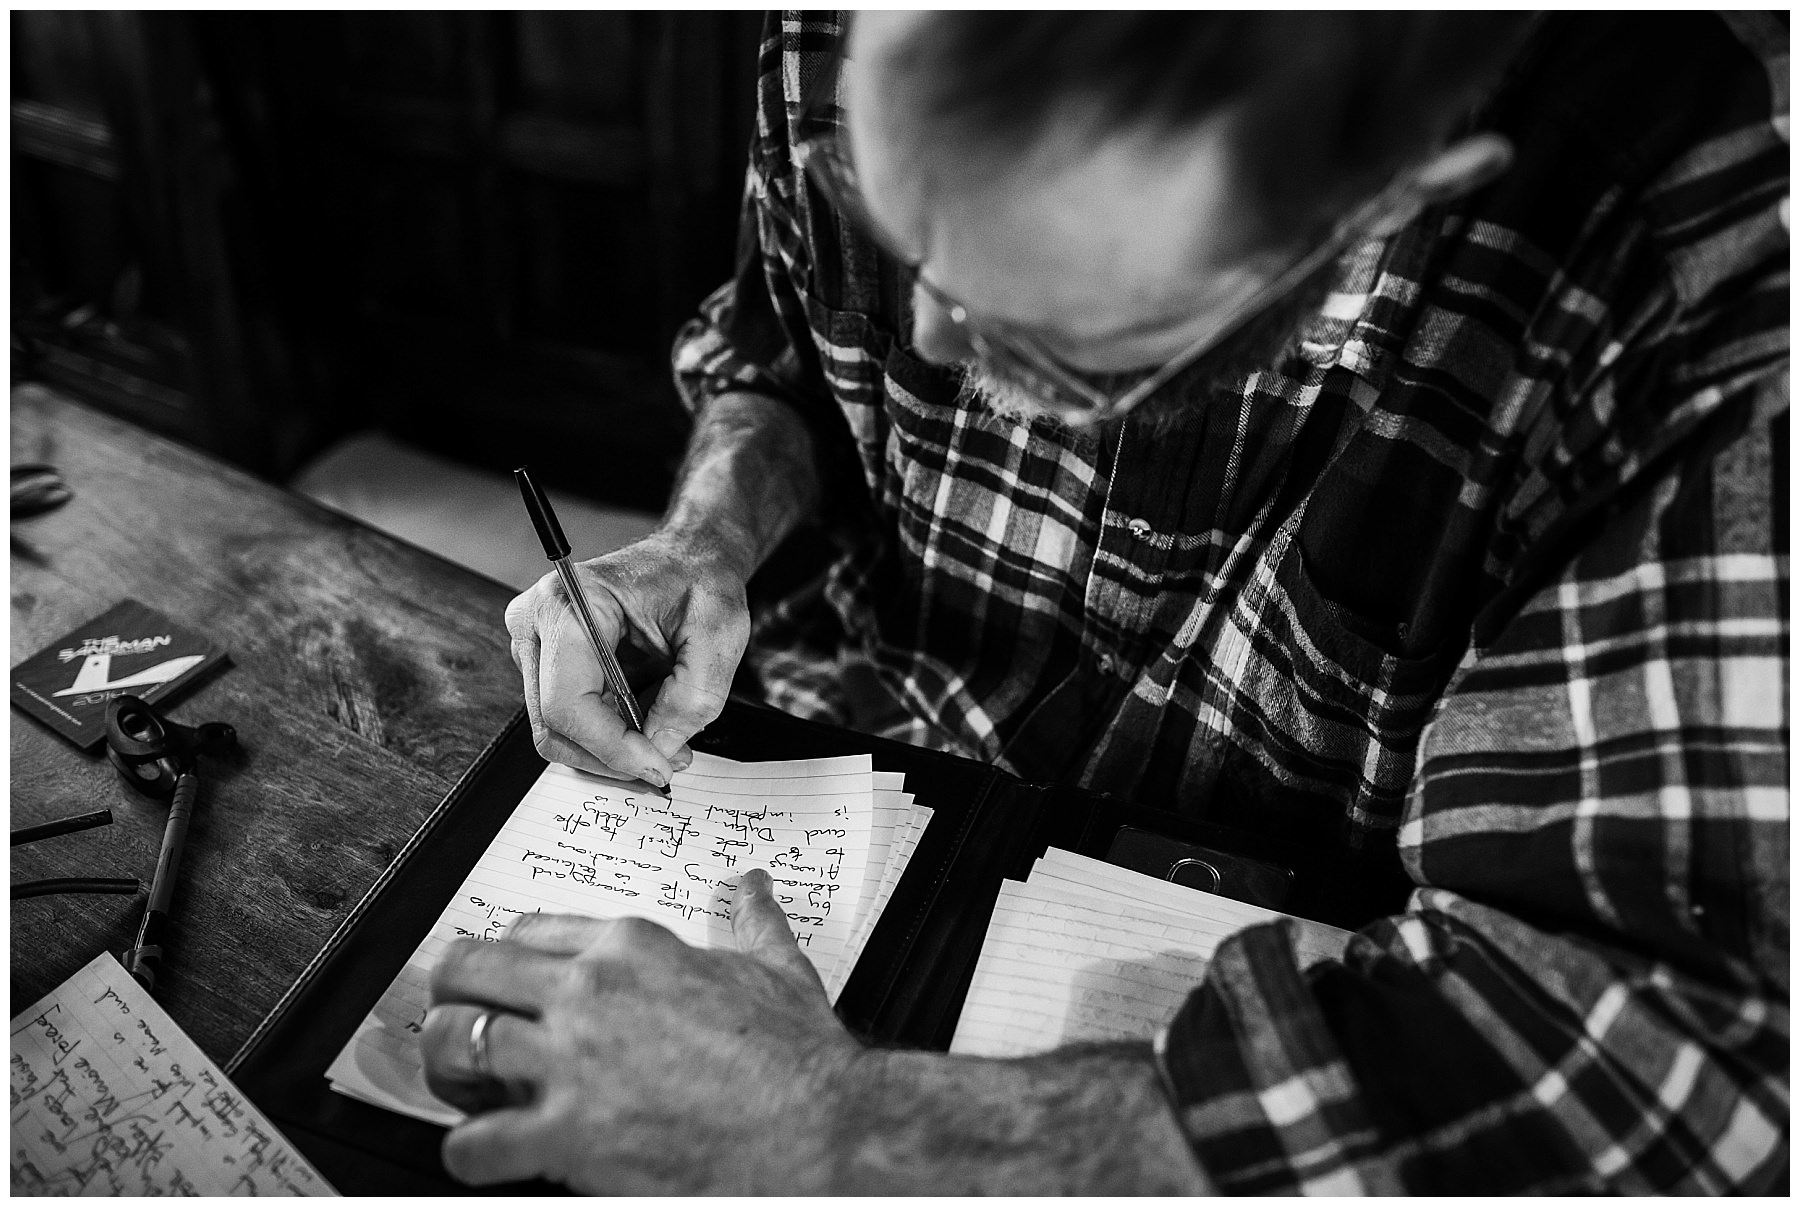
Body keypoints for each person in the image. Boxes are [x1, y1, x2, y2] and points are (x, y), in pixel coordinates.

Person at [422, 11, 1789, 1193]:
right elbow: (786, 361)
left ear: (1375, 207)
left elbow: (1673, 1084)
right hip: (866, 782)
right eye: (894, 229)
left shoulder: (1688, 276)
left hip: (1229, 953)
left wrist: (842, 1129)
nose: (937, 336)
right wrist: (707, 538)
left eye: (1060, 345)